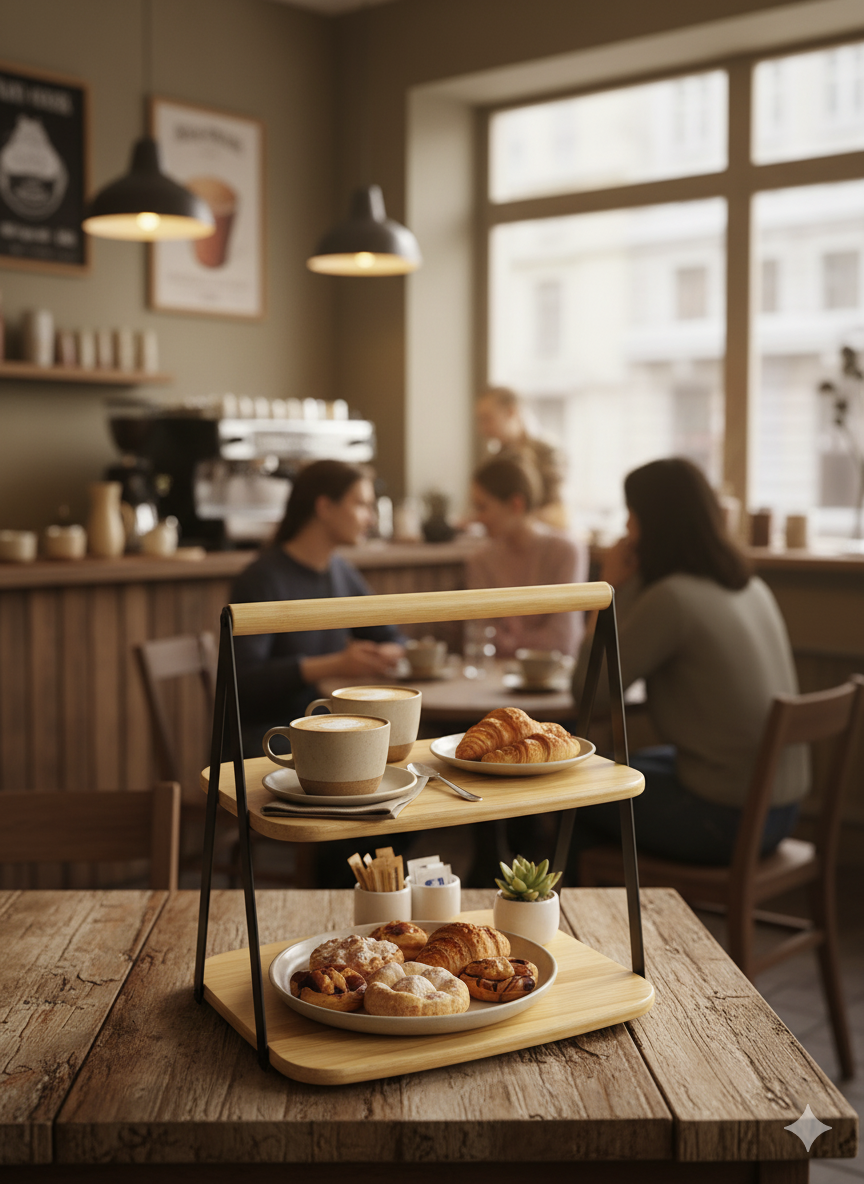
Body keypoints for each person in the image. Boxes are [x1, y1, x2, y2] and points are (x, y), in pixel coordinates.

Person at [570, 457, 808, 869]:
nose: (626, 528)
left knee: (567, 791)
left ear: (653, 523)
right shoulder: (750, 586)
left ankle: (572, 905)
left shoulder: (673, 599)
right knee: (601, 766)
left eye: (632, 515)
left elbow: (588, 692)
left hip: (726, 819)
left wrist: (606, 589)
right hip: (780, 810)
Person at [231, 459, 404, 753]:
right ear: (324, 507)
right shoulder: (261, 579)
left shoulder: (342, 571)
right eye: (361, 505)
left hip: (328, 727)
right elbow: (244, 680)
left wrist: (389, 651)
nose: (371, 519)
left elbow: (390, 636)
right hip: (269, 737)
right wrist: (335, 665)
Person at [466, 456, 588, 657]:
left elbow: (563, 640)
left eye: (482, 507)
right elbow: (479, 636)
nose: (476, 518)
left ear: (516, 504)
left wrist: (510, 641)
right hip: (498, 673)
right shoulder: (480, 560)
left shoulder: (566, 551)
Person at [475, 387, 568, 529]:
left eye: (487, 419)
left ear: (511, 412)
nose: (482, 429)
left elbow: (556, 510)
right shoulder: (496, 459)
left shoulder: (547, 453)